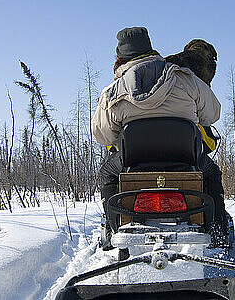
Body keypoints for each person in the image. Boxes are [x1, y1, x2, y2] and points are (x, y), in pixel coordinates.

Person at [91, 27, 228, 239]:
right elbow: (212, 115)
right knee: (211, 174)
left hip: (134, 165)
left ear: (120, 57)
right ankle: (218, 233)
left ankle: (113, 229)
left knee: (108, 173)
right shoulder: (185, 78)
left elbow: (103, 136)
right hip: (186, 161)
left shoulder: (113, 92)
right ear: (150, 48)